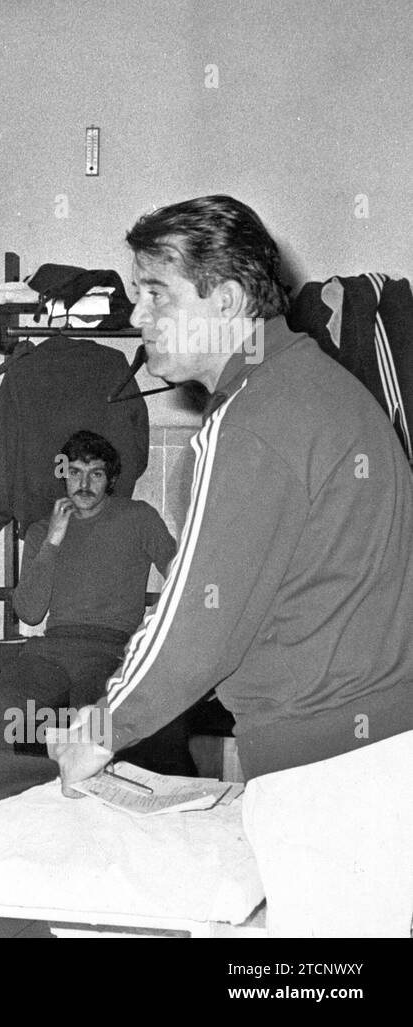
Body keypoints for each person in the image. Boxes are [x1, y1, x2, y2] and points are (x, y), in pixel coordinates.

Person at [49, 194, 413, 937]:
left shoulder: (252, 418)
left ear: (229, 299)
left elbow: (196, 620)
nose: (138, 315)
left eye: (157, 293)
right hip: (373, 754)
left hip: (328, 771)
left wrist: (99, 727)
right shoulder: (317, 386)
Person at [0, 430, 180, 768]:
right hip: (51, 651)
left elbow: (180, 574)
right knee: (1, 700)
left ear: (110, 479)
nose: (83, 483)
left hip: (111, 650)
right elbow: (29, 612)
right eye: (75, 473)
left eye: (95, 474)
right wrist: (53, 541)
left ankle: (93, 802)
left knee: (92, 711)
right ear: (63, 475)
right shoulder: (43, 529)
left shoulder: (138, 517)